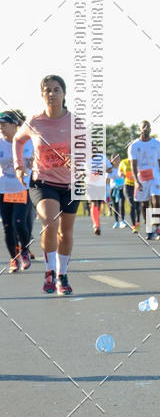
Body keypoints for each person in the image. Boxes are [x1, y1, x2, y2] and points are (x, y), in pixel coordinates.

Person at [13, 74, 77, 296]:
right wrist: (19, 166)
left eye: (56, 89)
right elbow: (18, 140)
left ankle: (62, 275)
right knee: (51, 224)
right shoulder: (35, 121)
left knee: (66, 233)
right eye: (47, 90)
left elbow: (89, 150)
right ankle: (49, 271)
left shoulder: (75, 122)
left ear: (64, 93)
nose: (51, 94)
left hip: (69, 184)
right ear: (42, 94)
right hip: (42, 182)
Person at [0, 109, 34, 272]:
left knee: (19, 223)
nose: (1, 127)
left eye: (4, 124)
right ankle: (13, 258)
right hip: (4, 189)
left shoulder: (28, 142)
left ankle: (25, 251)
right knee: (7, 226)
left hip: (23, 187)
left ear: (15, 126)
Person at [128, 120, 160, 240]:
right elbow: (133, 165)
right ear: (139, 129)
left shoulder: (157, 144)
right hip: (142, 177)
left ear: (151, 129)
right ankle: (149, 228)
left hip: (155, 176)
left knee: (156, 201)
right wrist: (137, 181)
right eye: (143, 127)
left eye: (148, 127)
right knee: (144, 204)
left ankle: (156, 226)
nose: (146, 129)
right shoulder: (134, 145)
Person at [119, 151, 139, 230]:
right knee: (132, 204)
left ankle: (137, 223)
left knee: (138, 206)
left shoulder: (138, 161)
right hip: (127, 186)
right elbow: (119, 172)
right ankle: (134, 225)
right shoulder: (123, 162)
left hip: (137, 186)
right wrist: (121, 174)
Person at [108, 153, 127, 228]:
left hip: (122, 188)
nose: (117, 160)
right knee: (115, 206)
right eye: (115, 159)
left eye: (118, 158)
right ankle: (116, 221)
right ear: (112, 160)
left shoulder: (122, 167)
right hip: (114, 189)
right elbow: (107, 180)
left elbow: (126, 176)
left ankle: (122, 220)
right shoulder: (110, 169)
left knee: (121, 204)